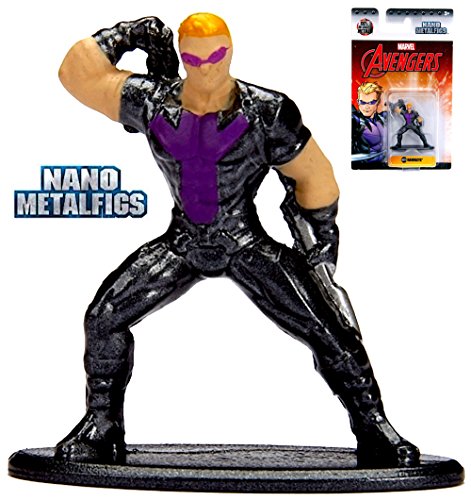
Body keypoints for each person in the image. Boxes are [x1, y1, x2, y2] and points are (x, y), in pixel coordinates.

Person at [55, 13, 419, 467]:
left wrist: (320, 250)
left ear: (230, 52)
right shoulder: (151, 102)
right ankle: (101, 427)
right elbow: (76, 73)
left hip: (244, 243)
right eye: (194, 59)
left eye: (216, 56)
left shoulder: (267, 111)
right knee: (103, 318)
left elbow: (316, 177)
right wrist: (129, 34)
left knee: (328, 329)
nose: (206, 68)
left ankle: (374, 428)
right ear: (183, 57)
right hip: (183, 243)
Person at [352, 81, 387, 163]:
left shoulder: (383, 119)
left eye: (371, 102)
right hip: (363, 165)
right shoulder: (355, 120)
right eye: (362, 102)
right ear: (358, 102)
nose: (366, 107)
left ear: (378, 102)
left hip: (387, 163)